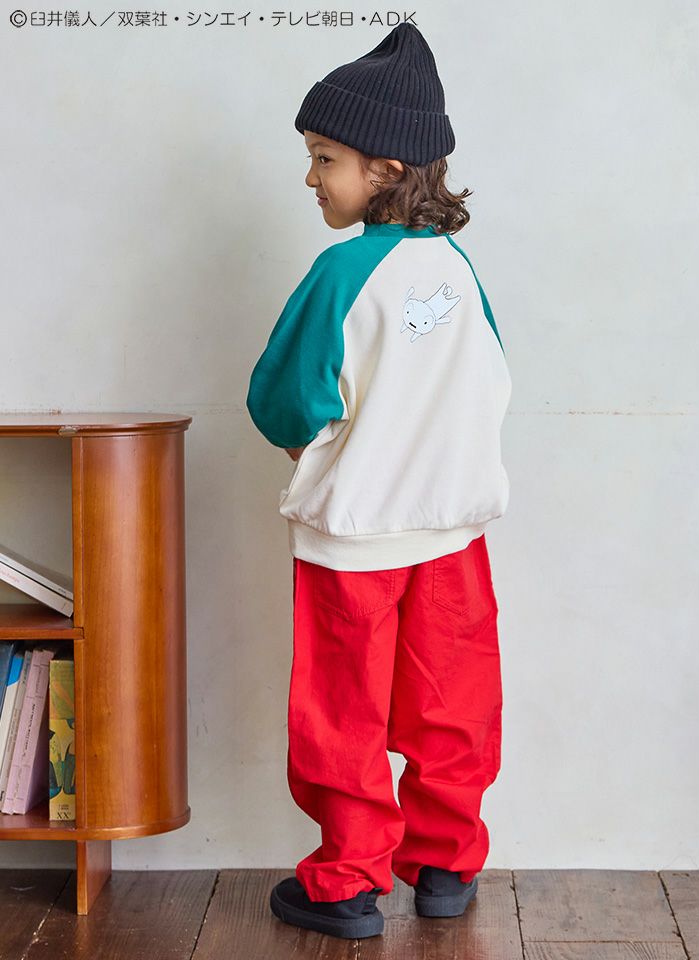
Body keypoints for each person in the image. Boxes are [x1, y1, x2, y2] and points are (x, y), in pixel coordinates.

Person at [246, 21, 512, 940]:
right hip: (452, 536)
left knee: (343, 712)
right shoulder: (458, 272)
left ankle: (348, 885)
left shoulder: (342, 272)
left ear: (386, 167)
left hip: (352, 543)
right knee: (452, 706)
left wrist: (311, 443)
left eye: (324, 158)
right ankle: (444, 867)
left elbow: (285, 398)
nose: (311, 177)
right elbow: (490, 383)